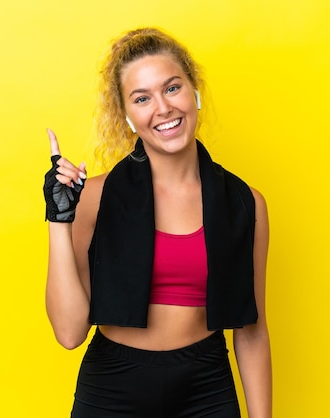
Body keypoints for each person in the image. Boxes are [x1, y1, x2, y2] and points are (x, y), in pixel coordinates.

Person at [43, 27, 272, 417]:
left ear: (194, 92)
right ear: (129, 117)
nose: (163, 109)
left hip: (207, 388)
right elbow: (69, 334)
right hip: (112, 390)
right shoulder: (95, 198)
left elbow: (252, 331)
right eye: (142, 98)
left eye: (172, 88)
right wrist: (58, 220)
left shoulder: (245, 203)